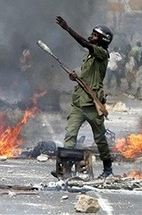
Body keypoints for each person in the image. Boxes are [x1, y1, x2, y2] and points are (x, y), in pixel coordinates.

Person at [53, 15, 114, 179]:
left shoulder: (102, 53)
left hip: (92, 104)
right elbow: (87, 79)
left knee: (100, 138)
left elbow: (85, 43)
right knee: (70, 135)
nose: (92, 36)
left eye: (96, 35)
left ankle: (107, 169)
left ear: (103, 41)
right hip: (79, 103)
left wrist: (68, 29)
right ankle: (66, 168)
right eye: (93, 34)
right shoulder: (88, 57)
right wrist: (76, 78)